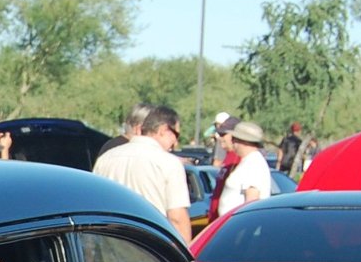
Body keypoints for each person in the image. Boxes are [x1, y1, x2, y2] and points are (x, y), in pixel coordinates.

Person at [91, 104, 192, 244]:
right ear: (163, 130)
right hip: (150, 246)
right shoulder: (168, 163)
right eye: (176, 135)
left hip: (110, 243)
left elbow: (94, 207)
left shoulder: (106, 158)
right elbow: (177, 218)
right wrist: (186, 253)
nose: (175, 143)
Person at [215, 121, 272, 216]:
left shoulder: (253, 164)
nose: (232, 142)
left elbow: (252, 203)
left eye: (234, 139)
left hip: (238, 223)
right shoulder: (249, 161)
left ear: (244, 141)